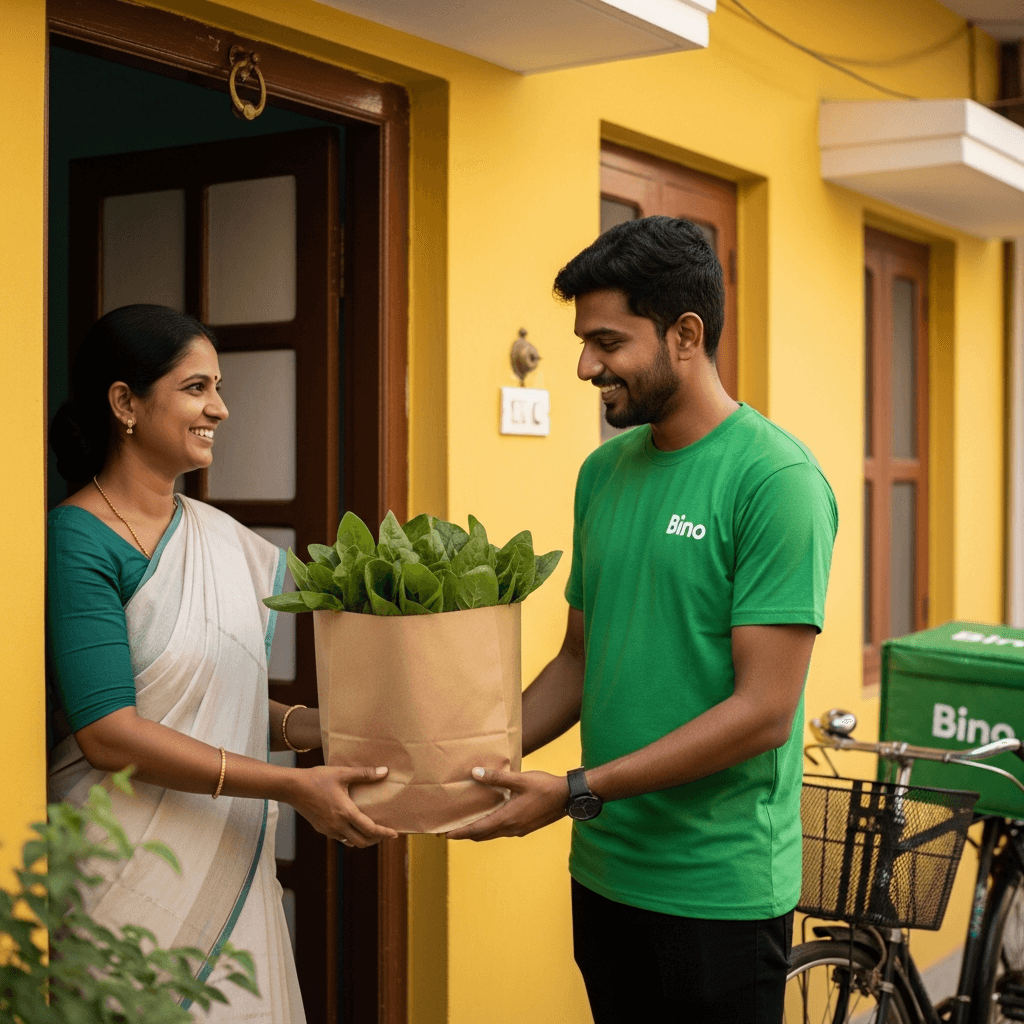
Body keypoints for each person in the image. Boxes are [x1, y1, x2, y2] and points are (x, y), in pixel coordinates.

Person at [448, 217, 838, 1023]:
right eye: (583, 343)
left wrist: (576, 791)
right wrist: (463, 760)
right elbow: (578, 662)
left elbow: (763, 712)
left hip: (718, 893)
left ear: (685, 336)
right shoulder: (602, 473)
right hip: (604, 873)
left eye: (608, 342)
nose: (586, 366)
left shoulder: (776, 482)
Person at [47, 304, 397, 1023]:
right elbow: (109, 732)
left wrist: (323, 728)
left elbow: (216, 697)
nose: (220, 408)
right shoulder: (78, 540)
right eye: (197, 387)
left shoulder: (220, 539)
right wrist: (291, 788)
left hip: (223, 854)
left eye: (219, 387)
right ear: (125, 403)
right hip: (122, 870)